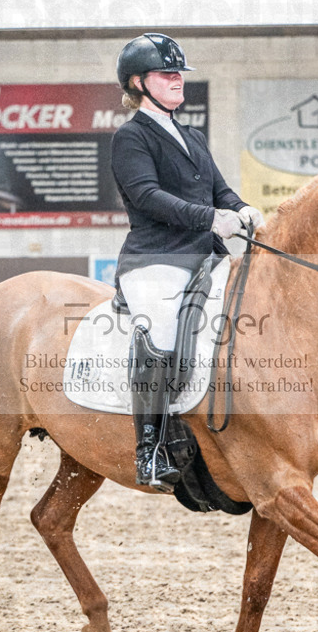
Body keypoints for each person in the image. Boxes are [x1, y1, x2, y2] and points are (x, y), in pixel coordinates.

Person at [111, 32, 263, 492]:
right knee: (159, 330)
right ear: (138, 82)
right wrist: (211, 218)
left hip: (205, 255)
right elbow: (147, 196)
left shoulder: (193, 136)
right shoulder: (130, 137)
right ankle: (151, 448)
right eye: (166, 73)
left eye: (179, 73)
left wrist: (242, 209)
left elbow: (219, 190)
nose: (178, 79)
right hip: (156, 258)